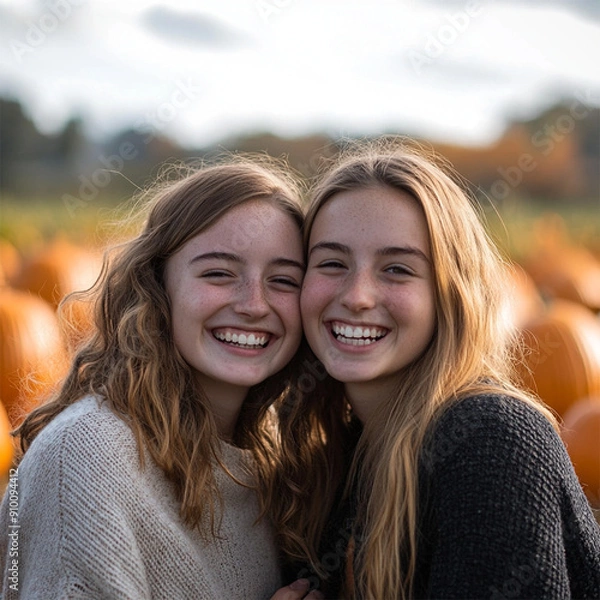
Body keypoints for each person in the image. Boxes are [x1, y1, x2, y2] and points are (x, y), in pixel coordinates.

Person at [271, 139, 600, 599]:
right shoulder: (338, 454)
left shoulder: (491, 440)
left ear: (450, 294)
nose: (357, 295)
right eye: (332, 263)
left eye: (397, 270)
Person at [0, 158, 322, 600]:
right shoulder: (87, 460)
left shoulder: (273, 458)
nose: (254, 304)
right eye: (219, 273)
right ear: (156, 285)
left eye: (283, 279)